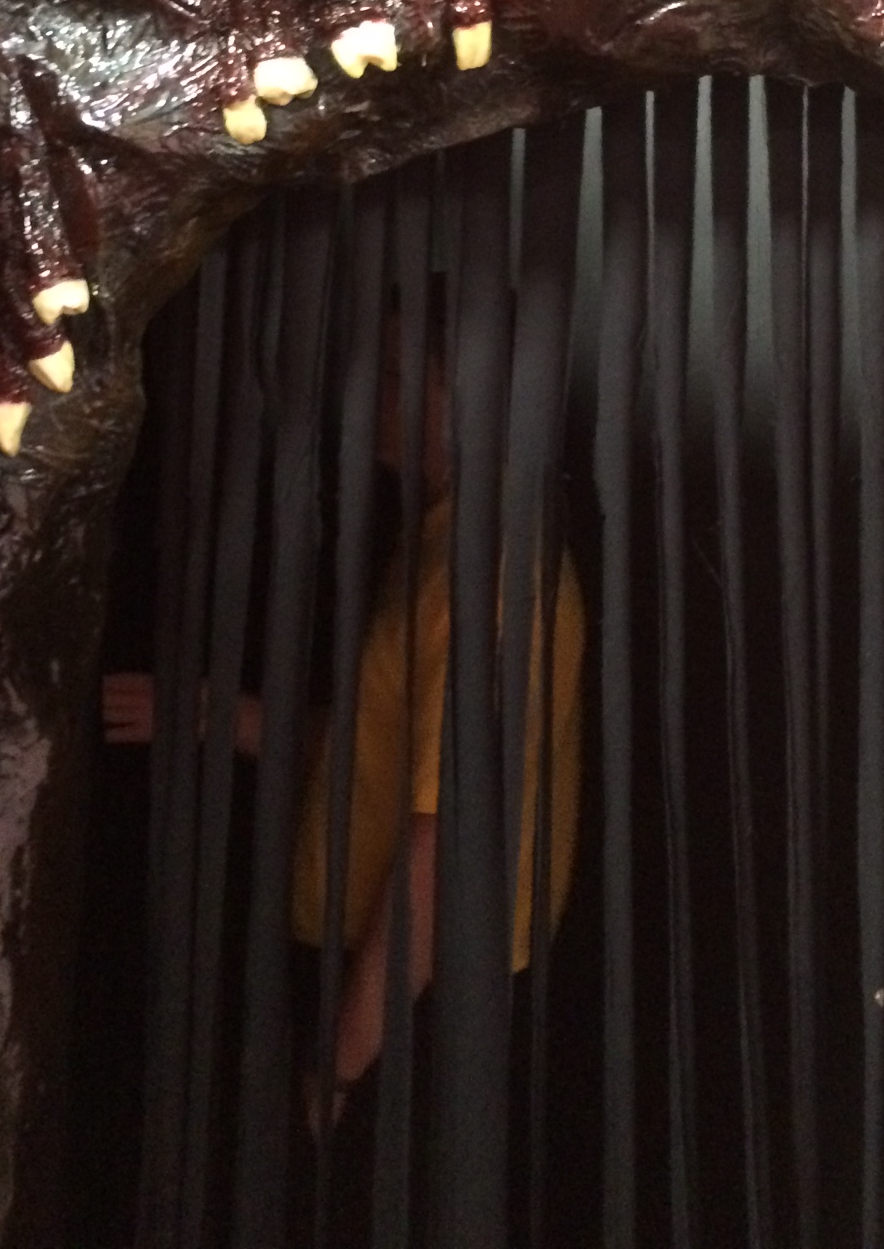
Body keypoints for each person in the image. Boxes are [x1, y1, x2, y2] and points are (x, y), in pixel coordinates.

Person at [103, 290, 584, 1119]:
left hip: (411, 999)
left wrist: (344, 1063)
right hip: (387, 979)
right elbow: (380, 753)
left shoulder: (490, 578)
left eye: (394, 374)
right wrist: (214, 715)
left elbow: (450, 840)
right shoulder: (447, 538)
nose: (367, 394)